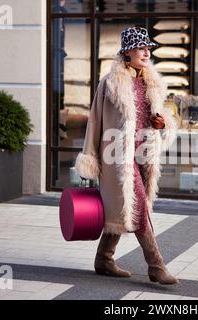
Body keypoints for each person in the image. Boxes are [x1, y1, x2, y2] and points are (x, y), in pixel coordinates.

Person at [75, 27, 179, 285]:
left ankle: (104, 258)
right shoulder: (110, 84)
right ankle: (156, 265)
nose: (147, 52)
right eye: (141, 48)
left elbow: (163, 118)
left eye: (148, 48)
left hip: (144, 155)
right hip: (117, 159)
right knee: (139, 206)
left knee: (125, 209)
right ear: (127, 52)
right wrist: (89, 159)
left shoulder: (151, 82)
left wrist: (162, 123)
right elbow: (95, 123)